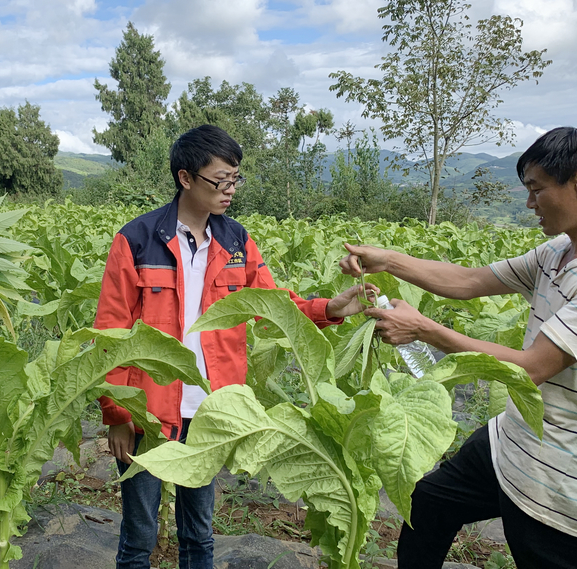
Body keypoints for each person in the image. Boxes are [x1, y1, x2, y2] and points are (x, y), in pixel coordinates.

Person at [339, 126, 577, 569]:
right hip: (511, 438)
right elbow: (471, 281)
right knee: (430, 502)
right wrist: (390, 260)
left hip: (559, 472)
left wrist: (424, 330)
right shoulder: (560, 251)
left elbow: (531, 368)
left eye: (536, 189)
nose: (529, 203)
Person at [95, 125, 376, 569]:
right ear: (186, 178)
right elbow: (110, 334)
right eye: (220, 180)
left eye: (235, 179)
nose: (230, 190)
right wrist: (117, 414)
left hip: (211, 410)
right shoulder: (136, 240)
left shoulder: (236, 242)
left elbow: (275, 304)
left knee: (199, 533)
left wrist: (333, 308)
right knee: (139, 535)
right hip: (148, 410)